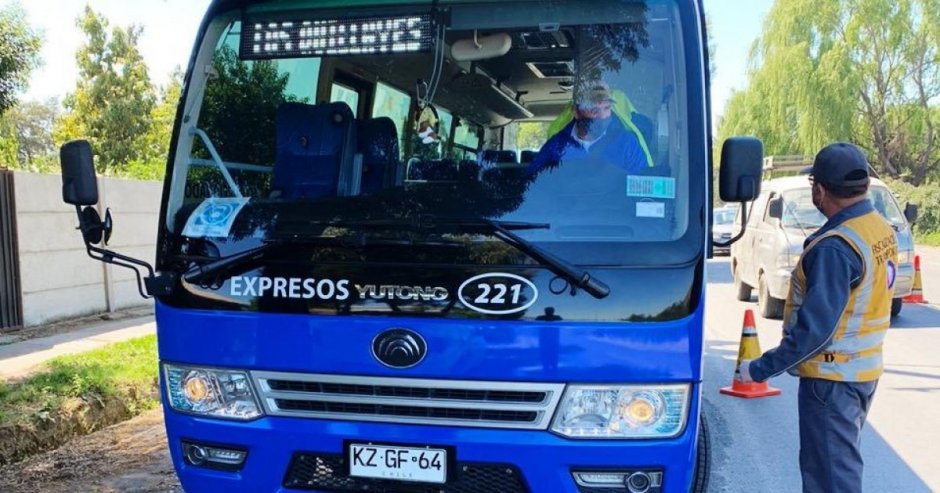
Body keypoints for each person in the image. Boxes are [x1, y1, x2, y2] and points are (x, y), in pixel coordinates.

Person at [738, 142, 899, 493]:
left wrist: (759, 369)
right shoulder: (878, 228)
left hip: (832, 380)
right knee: (837, 469)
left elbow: (816, 332)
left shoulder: (835, 247)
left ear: (820, 190)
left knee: (829, 479)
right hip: (862, 372)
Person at [527, 81, 649, 175]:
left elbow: (642, 188)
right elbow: (535, 186)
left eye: (607, 108)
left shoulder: (627, 144)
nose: (603, 116)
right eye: (594, 110)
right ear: (576, 112)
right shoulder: (556, 147)